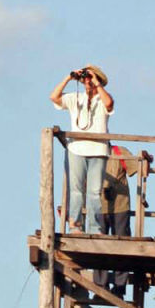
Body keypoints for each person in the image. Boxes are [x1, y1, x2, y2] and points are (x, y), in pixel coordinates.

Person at [50, 66, 114, 233]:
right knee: (76, 190)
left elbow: (109, 104)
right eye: (85, 79)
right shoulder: (75, 98)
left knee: (94, 192)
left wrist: (96, 84)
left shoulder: (102, 98)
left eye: (90, 78)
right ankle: (75, 225)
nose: (87, 81)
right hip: (76, 149)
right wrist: (69, 78)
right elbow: (54, 97)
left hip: (98, 150)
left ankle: (95, 228)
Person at [92, 145, 151, 297]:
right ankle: (100, 286)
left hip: (120, 205)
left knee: (122, 246)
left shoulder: (119, 151)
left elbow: (141, 171)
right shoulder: (92, 154)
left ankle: (119, 286)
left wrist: (145, 160)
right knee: (98, 248)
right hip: (98, 206)